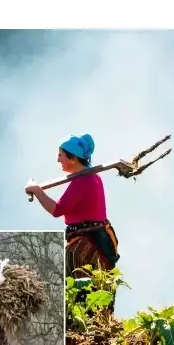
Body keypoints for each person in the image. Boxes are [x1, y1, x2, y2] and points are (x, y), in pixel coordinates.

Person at [23, 133, 120, 315]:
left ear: (73, 159)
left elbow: (57, 210)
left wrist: (37, 191)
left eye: (61, 155)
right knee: (97, 289)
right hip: (100, 241)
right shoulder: (93, 178)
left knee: (80, 292)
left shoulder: (82, 181)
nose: (58, 159)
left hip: (86, 245)